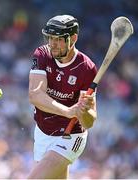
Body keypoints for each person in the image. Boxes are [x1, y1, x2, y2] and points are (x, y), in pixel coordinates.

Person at [28, 14, 97, 179]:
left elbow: (90, 122)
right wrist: (69, 111)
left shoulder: (86, 69)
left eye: (58, 39)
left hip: (70, 136)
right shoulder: (42, 54)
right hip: (43, 132)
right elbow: (35, 95)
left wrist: (84, 111)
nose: (52, 44)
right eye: (50, 38)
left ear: (73, 38)